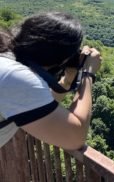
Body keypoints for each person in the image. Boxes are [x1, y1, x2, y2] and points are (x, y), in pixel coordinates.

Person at [0, 12, 102, 150]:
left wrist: (66, 82)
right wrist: (88, 73)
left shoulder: (7, 61)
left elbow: (36, 105)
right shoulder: (15, 76)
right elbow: (74, 138)